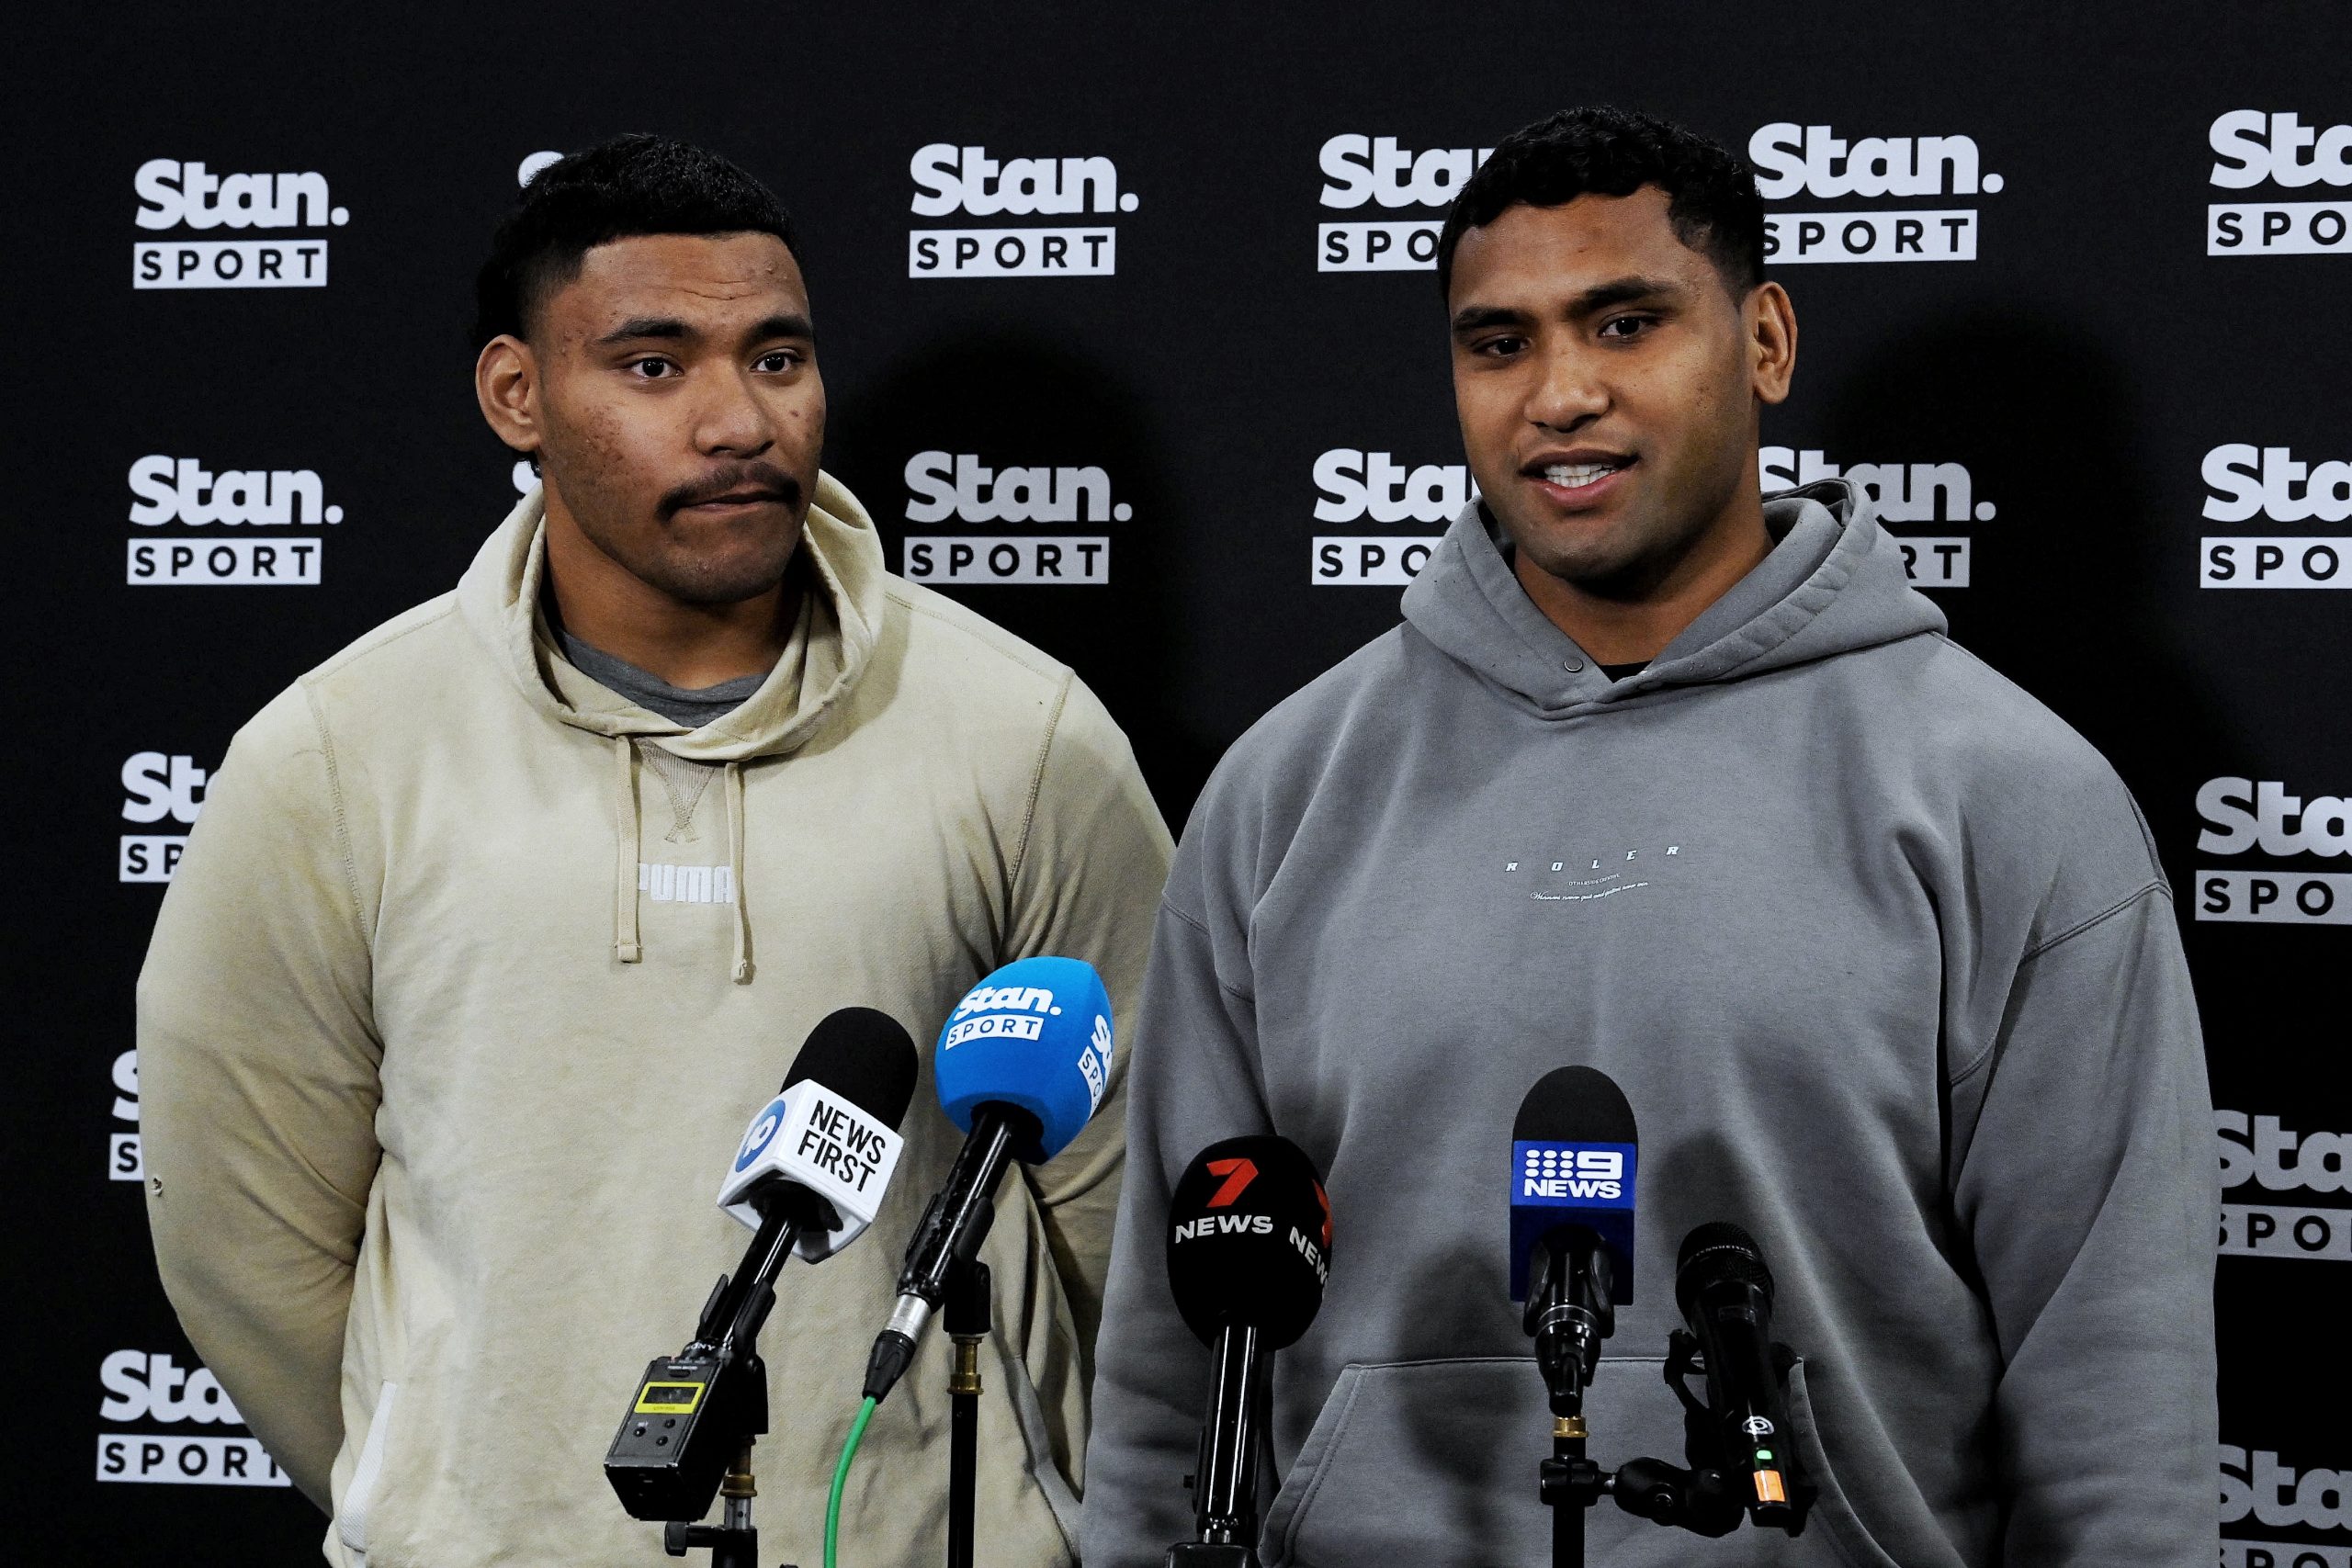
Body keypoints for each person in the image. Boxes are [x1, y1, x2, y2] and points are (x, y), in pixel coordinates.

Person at [1081, 106, 2215, 1566]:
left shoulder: (2011, 795)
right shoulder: (1284, 792)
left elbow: (2116, 1399)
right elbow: (1172, 1369)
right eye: (1501, 344)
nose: (1560, 394)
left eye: (1625, 325)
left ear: (1766, 344)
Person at [139, 134, 1170, 1568]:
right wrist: (436, 1489)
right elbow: (244, 1240)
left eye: (778, 357)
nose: (740, 420)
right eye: (653, 365)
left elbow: (1126, 1213)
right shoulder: (333, 758)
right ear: (518, 394)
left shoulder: (1027, 739)